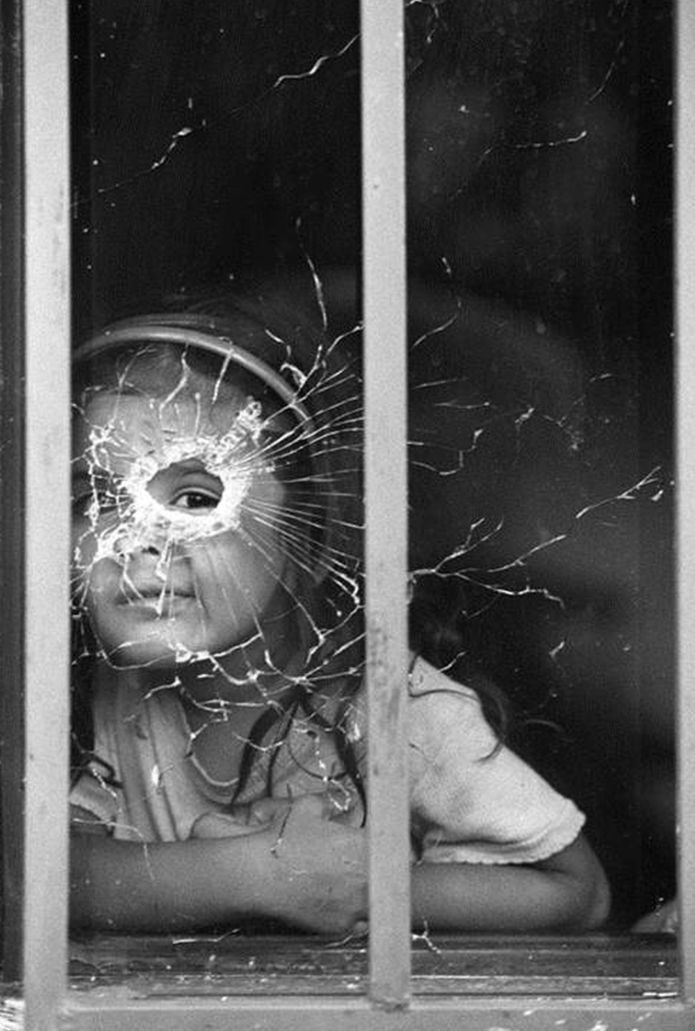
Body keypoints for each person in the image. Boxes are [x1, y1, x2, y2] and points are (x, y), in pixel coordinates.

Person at [69, 291, 610, 936]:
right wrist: (252, 876)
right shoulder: (113, 696)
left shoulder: (395, 707)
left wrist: (359, 886)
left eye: (194, 496)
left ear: (309, 535)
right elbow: (47, 878)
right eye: (96, 500)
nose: (134, 538)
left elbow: (577, 893)